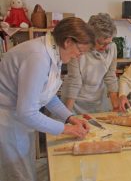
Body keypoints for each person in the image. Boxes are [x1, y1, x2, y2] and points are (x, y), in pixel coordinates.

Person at [0, 17, 95, 181]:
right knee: (19, 174)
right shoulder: (38, 57)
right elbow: (27, 112)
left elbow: (46, 95)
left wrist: (70, 118)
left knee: (26, 168)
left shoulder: (52, 51)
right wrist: (66, 129)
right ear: (68, 42)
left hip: (18, 117)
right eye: (80, 51)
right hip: (8, 121)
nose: (79, 56)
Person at [61, 13, 119, 114]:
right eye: (101, 43)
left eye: (108, 43)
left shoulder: (112, 48)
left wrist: (116, 106)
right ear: (90, 37)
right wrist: (67, 116)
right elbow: (74, 81)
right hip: (74, 102)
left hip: (98, 101)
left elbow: (110, 76)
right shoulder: (78, 48)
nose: (105, 47)